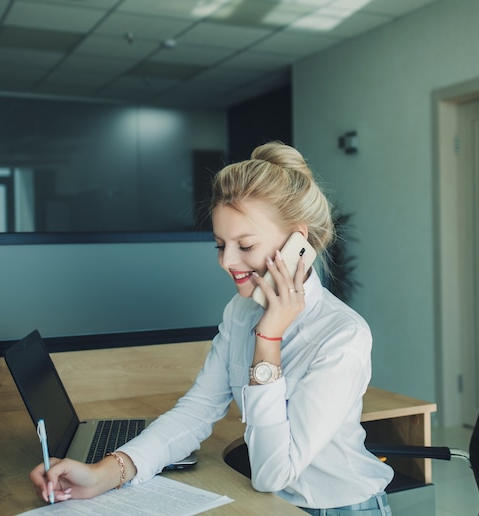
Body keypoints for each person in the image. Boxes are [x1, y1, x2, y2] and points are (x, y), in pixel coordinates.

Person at [30, 141, 394, 515]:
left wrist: (267, 340)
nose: (227, 261)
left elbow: (274, 472)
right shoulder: (241, 311)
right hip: (272, 505)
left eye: (245, 245)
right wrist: (105, 474)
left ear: (298, 241)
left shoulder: (341, 335)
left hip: (343, 508)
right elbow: (197, 410)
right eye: (221, 245)